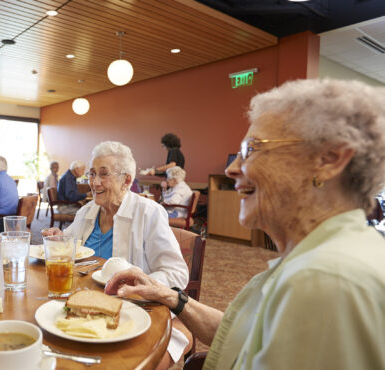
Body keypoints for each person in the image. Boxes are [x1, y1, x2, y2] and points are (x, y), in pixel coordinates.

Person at [106, 79, 385, 369]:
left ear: (329, 159)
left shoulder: (324, 280)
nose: (232, 168)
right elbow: (245, 336)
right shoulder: (319, 258)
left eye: (251, 149)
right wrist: (170, 296)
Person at [43, 141, 190, 364]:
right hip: (84, 303)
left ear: (127, 180)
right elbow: (69, 247)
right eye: (92, 174)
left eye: (104, 175)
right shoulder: (87, 211)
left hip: (133, 310)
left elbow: (176, 273)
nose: (94, 182)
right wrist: (57, 238)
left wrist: (137, 286)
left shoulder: (149, 213)